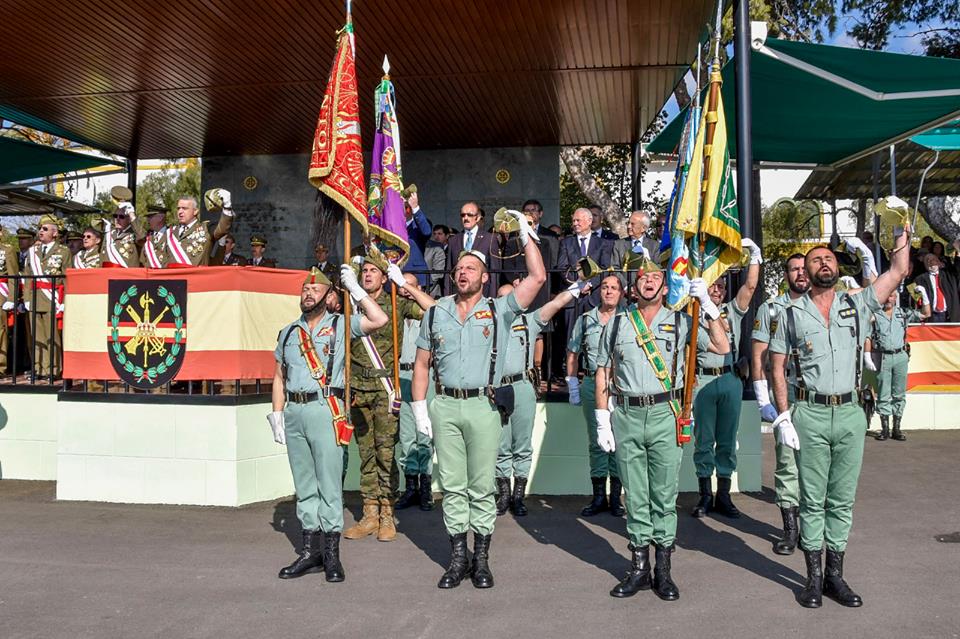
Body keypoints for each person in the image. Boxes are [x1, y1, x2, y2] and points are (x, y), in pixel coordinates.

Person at [768, 224, 911, 609]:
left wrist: (900, 233)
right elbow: (776, 366)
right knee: (813, 500)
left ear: (837, 266)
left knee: (842, 500)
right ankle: (813, 579)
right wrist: (783, 417)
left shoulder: (857, 304)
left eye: (828, 258)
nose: (824, 263)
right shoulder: (790, 314)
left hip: (849, 413)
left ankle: (835, 576)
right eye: (816, 260)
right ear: (806, 271)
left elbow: (898, 271)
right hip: (809, 413)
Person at [411, 210, 545, 589]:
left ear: (485, 278)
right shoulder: (436, 312)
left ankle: (481, 559)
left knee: (482, 486)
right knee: (453, 486)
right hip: (446, 406)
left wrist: (524, 234)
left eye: (471, 268)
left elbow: (537, 277)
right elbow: (421, 364)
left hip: (484, 406)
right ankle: (459, 558)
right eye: (459, 268)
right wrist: (420, 408)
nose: (463, 273)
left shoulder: (499, 310)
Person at [595, 260, 729, 600]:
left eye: (656, 277)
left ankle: (664, 571)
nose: (649, 282)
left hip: (665, 415)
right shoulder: (618, 323)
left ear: (666, 287)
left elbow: (722, 347)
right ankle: (639, 568)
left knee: (664, 496)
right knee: (635, 495)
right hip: (627, 414)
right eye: (644, 278)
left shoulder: (683, 322)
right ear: (634, 287)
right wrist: (602, 418)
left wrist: (708, 306)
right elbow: (603, 370)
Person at [270, 264, 388, 582]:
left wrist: (357, 291)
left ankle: (332, 556)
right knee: (304, 485)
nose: (308, 294)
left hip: (326, 408)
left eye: (315, 290)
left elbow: (380, 319)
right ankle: (311, 553)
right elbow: (279, 376)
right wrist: (277, 413)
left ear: (329, 295)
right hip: (295, 411)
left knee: (329, 485)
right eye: (305, 290)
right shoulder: (289, 332)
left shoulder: (341, 324)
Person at [342, 254, 436, 543]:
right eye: (365, 271)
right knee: (366, 454)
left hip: (384, 388)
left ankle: (386, 513)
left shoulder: (396, 301)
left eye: (374, 271)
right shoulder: (351, 302)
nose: (368, 275)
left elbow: (435, 311)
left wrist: (405, 286)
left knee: (385, 454)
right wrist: (350, 270)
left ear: (385, 277)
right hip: (358, 388)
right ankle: (369, 513)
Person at [494, 277, 584, 517]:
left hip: (522, 385)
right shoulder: (489, 322)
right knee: (501, 444)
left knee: (522, 444)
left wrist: (577, 286)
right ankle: (503, 494)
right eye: (501, 297)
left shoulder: (528, 320)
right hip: (497, 387)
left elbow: (555, 304)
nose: (506, 301)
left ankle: (518, 496)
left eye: (509, 296)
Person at [691, 238, 761, 519]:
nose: (718, 289)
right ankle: (704, 495)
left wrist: (754, 257)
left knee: (727, 440)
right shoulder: (692, 314)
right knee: (704, 440)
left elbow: (750, 287)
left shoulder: (732, 311)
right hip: (704, 381)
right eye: (713, 285)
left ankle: (723, 494)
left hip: (730, 378)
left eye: (721, 286)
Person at [751, 253, 810, 556]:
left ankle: (812, 529)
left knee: (815, 464)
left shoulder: (822, 305)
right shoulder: (771, 309)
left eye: (804, 268)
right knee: (787, 463)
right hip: (785, 394)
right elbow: (759, 355)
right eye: (794, 269)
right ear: (786, 275)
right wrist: (763, 398)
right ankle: (790, 529)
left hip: (815, 397)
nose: (800, 273)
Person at [566, 274, 625, 517]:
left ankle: (616, 497)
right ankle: (599, 496)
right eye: (605, 287)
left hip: (621, 386)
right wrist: (572, 384)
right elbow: (573, 352)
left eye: (614, 288)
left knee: (619, 441)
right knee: (597, 441)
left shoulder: (629, 318)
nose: (609, 292)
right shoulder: (585, 320)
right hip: (593, 383)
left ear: (621, 293)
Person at [395, 273, 436, 511]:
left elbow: (437, 309)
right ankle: (411, 486)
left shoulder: (427, 314)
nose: (404, 289)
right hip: (401, 377)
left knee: (425, 434)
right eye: (401, 285)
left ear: (418, 287)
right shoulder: (395, 312)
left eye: (409, 285)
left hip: (424, 377)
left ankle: (426, 487)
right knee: (407, 435)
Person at [870, 290, 930, 441]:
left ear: (895, 298)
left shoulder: (903, 313)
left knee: (899, 393)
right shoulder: (875, 315)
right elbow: (866, 334)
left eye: (891, 296)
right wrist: (867, 356)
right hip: (883, 356)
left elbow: (926, 314)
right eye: (886, 295)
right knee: (883, 393)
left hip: (900, 356)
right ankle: (885, 429)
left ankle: (896, 428)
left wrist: (923, 296)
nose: (888, 299)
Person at [23, 215, 71, 379]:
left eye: (45, 229)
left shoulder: (63, 251)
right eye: (39, 229)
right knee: (37, 337)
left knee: (52, 336)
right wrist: (27, 298)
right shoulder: (32, 251)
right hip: (35, 297)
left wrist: (65, 300)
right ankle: (38, 368)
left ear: (55, 233)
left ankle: (53, 369)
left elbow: (67, 277)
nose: (40, 232)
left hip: (53, 298)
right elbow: (28, 276)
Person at [556, 208, 615, 335]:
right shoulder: (566, 243)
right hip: (572, 298)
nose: (575, 223)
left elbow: (604, 268)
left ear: (589, 221)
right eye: (573, 221)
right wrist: (579, 284)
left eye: (578, 220)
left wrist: (590, 284)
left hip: (594, 297)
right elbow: (562, 267)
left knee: (595, 336)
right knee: (571, 337)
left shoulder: (603, 243)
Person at [444, 202, 498, 296]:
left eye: (469, 215)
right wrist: (447, 295)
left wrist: (492, 296)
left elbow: (494, 271)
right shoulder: (453, 240)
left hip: (482, 293)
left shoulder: (489, 239)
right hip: (458, 294)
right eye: (463, 215)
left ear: (477, 217)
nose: (466, 218)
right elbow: (449, 270)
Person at [166, 191, 233, 266]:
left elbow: (222, 229)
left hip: (195, 273)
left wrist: (227, 206)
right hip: (172, 273)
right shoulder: (170, 232)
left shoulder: (206, 228)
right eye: (178, 208)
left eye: (184, 208)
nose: (180, 212)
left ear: (195, 211)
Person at [913, 253, 958, 322]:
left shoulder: (949, 276)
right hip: (931, 317)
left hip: (949, 315)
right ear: (925, 265)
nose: (931, 262)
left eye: (933, 259)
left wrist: (958, 255)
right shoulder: (918, 280)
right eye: (927, 260)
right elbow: (915, 300)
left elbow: (958, 269)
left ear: (938, 262)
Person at [0, 228, 20, 375]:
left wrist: (12, 298)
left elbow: (13, 275)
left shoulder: (7, 249)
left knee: (0, 331)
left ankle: (0, 366)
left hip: (0, 293)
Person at [403, 189, 433, 287]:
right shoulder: (392, 226)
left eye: (406, 207)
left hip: (417, 275)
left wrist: (415, 208)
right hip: (397, 273)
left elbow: (427, 232)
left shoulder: (418, 225)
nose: (402, 209)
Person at [102, 201, 140, 267]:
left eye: (121, 217)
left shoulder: (135, 233)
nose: (117, 219)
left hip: (127, 272)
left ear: (129, 219)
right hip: (107, 272)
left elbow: (142, 237)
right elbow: (102, 256)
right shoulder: (109, 234)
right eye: (115, 216)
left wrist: (132, 214)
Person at [423, 225, 449, 298]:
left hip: (432, 288)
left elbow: (438, 272)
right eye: (434, 234)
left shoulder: (438, 249)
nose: (437, 237)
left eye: (439, 234)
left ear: (447, 236)